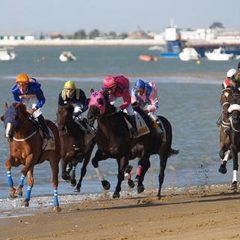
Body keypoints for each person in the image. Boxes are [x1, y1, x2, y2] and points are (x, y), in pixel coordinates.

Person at [12, 73, 51, 141]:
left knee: (37, 113)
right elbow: (17, 101)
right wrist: (22, 109)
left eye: (23, 85)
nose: (21, 88)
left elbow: (42, 99)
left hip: (34, 96)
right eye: (19, 85)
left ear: (27, 84)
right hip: (23, 98)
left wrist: (34, 109)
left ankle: (46, 133)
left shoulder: (35, 87)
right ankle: (13, 132)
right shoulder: (14, 91)